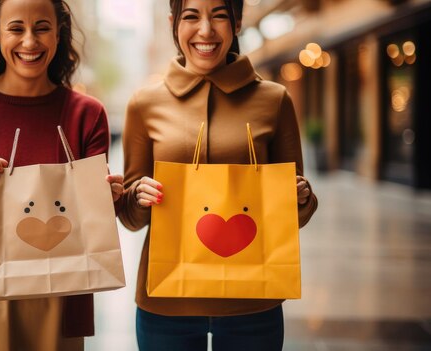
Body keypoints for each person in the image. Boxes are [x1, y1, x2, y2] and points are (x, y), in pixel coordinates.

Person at [0, 0, 123, 350]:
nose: (30, 42)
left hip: (60, 299)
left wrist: (110, 199)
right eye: (16, 28)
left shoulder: (87, 114)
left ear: (59, 34)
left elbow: (93, 225)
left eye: (42, 27)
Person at [118, 0, 318, 350]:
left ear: (237, 22)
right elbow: (131, 219)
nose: (206, 30)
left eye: (220, 16)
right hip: (166, 301)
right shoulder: (144, 103)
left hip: (253, 301)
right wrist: (137, 197)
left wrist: (300, 197)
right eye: (191, 16)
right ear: (173, 23)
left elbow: (294, 211)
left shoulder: (275, 99)